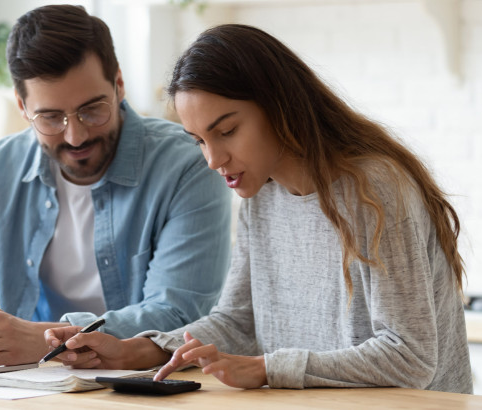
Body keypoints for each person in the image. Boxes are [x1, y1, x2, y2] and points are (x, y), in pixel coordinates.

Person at [42, 24, 473, 394]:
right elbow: (239, 321)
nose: (213, 159)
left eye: (226, 130)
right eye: (199, 140)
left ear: (278, 107)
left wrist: (268, 369)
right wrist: (140, 349)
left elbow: (410, 357)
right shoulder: (260, 194)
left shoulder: (373, 188)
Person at [0, 5, 232, 370]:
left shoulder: (188, 165)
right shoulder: (1, 168)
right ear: (22, 106)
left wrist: (42, 338)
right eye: (50, 117)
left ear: (119, 84)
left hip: (138, 382)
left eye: (92, 110)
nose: (75, 135)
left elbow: (178, 314)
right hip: (26, 384)